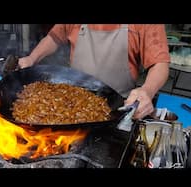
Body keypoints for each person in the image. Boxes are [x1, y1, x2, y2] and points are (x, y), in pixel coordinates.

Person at [18, 24, 170, 119]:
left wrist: (147, 90)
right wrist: (32, 58)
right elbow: (54, 38)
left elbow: (160, 63)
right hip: (71, 101)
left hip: (119, 107)